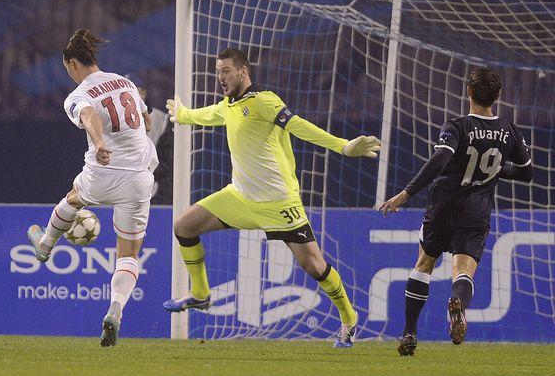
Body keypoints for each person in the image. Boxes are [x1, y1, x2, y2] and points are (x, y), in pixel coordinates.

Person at [163, 48, 381, 348]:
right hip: (240, 197)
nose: (220, 77)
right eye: (217, 71)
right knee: (184, 226)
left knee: (314, 266)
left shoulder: (265, 100)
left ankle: (349, 318)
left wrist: (343, 146)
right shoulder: (229, 105)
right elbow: (209, 114)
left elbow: (300, 126)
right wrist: (184, 114)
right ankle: (200, 295)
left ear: (243, 71)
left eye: (226, 70)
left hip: (279, 202)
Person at [378, 67, 532, 356]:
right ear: (497, 96)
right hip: (476, 212)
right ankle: (458, 305)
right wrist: (498, 168)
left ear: (469, 92)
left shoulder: (457, 126)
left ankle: (410, 332)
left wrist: (405, 193)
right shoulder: (510, 131)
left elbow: (439, 160)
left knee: (424, 264)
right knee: (463, 274)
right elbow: (526, 173)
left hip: (443, 207)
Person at [27, 29, 158, 347]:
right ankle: (115, 310)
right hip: (139, 178)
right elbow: (148, 121)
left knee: (74, 197)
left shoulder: (78, 95)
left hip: (103, 172)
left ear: (72, 64)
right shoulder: (125, 83)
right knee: (128, 254)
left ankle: (45, 245)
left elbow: (87, 115)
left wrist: (100, 141)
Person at [123, 73, 173, 205]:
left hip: (154, 194)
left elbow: (167, 165)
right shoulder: (109, 124)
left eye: (132, 92)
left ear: (143, 93)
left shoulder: (161, 121)